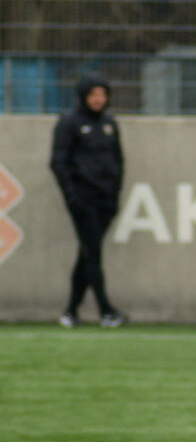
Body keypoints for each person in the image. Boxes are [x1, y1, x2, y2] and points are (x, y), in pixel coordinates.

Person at [50, 73, 127, 328]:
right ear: (83, 96)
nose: (98, 99)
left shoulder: (109, 124)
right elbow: (58, 162)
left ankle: (71, 312)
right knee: (93, 253)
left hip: (106, 200)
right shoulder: (69, 123)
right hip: (83, 200)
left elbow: (118, 160)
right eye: (93, 95)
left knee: (87, 254)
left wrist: (115, 193)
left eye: (102, 94)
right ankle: (106, 310)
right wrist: (72, 195)